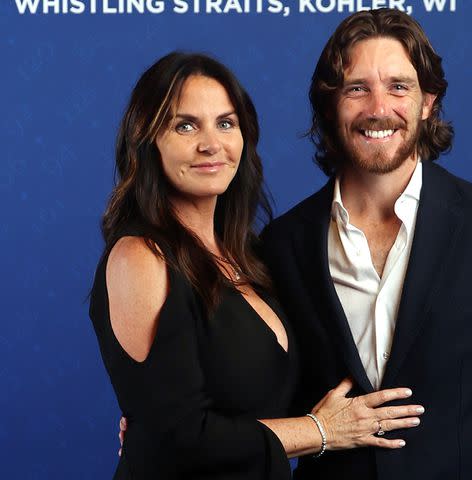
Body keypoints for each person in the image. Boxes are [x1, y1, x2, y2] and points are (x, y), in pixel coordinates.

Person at [260, 9, 472, 480]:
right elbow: (257, 387)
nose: (379, 108)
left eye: (398, 86)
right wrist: (167, 426)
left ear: (427, 103)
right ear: (330, 103)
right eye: (357, 88)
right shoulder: (282, 244)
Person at [90, 51, 425, 479]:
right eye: (185, 125)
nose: (211, 143)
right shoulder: (140, 256)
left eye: (225, 123)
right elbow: (179, 438)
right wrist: (319, 431)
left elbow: (243, 405)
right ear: (147, 140)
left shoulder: (251, 257)